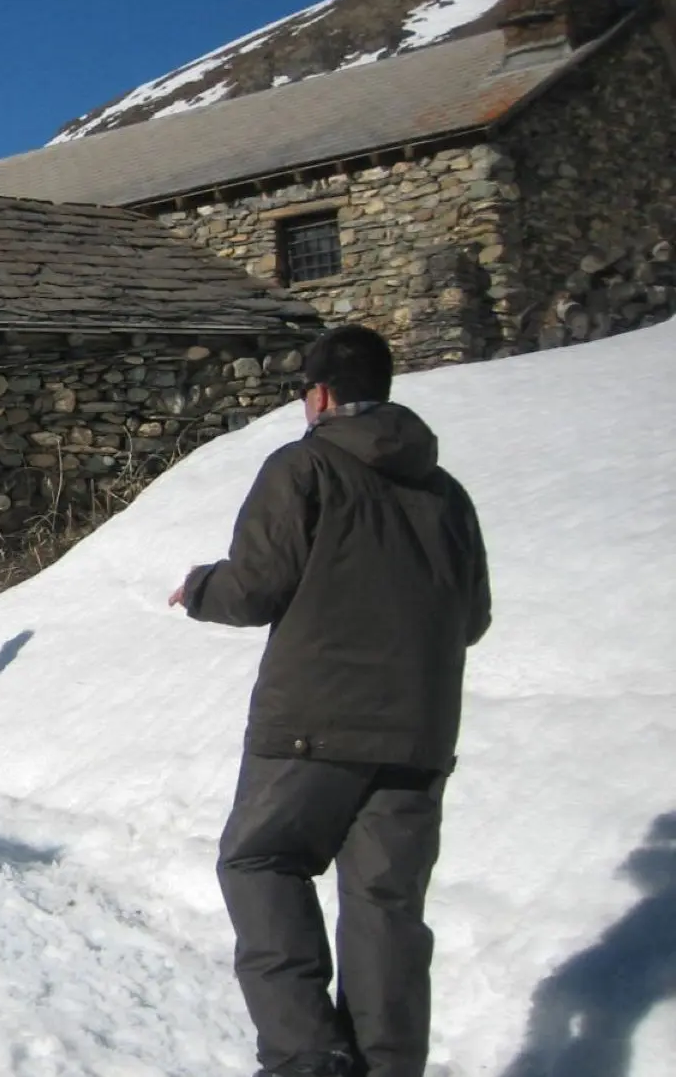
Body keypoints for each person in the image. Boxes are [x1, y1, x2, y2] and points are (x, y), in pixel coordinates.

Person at [169, 325, 492, 1077]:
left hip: (310, 725)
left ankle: (307, 1056)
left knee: (261, 862)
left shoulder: (303, 466)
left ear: (318, 395)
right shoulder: (446, 493)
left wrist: (201, 587)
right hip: (418, 736)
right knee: (386, 909)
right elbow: (470, 618)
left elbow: (255, 590)